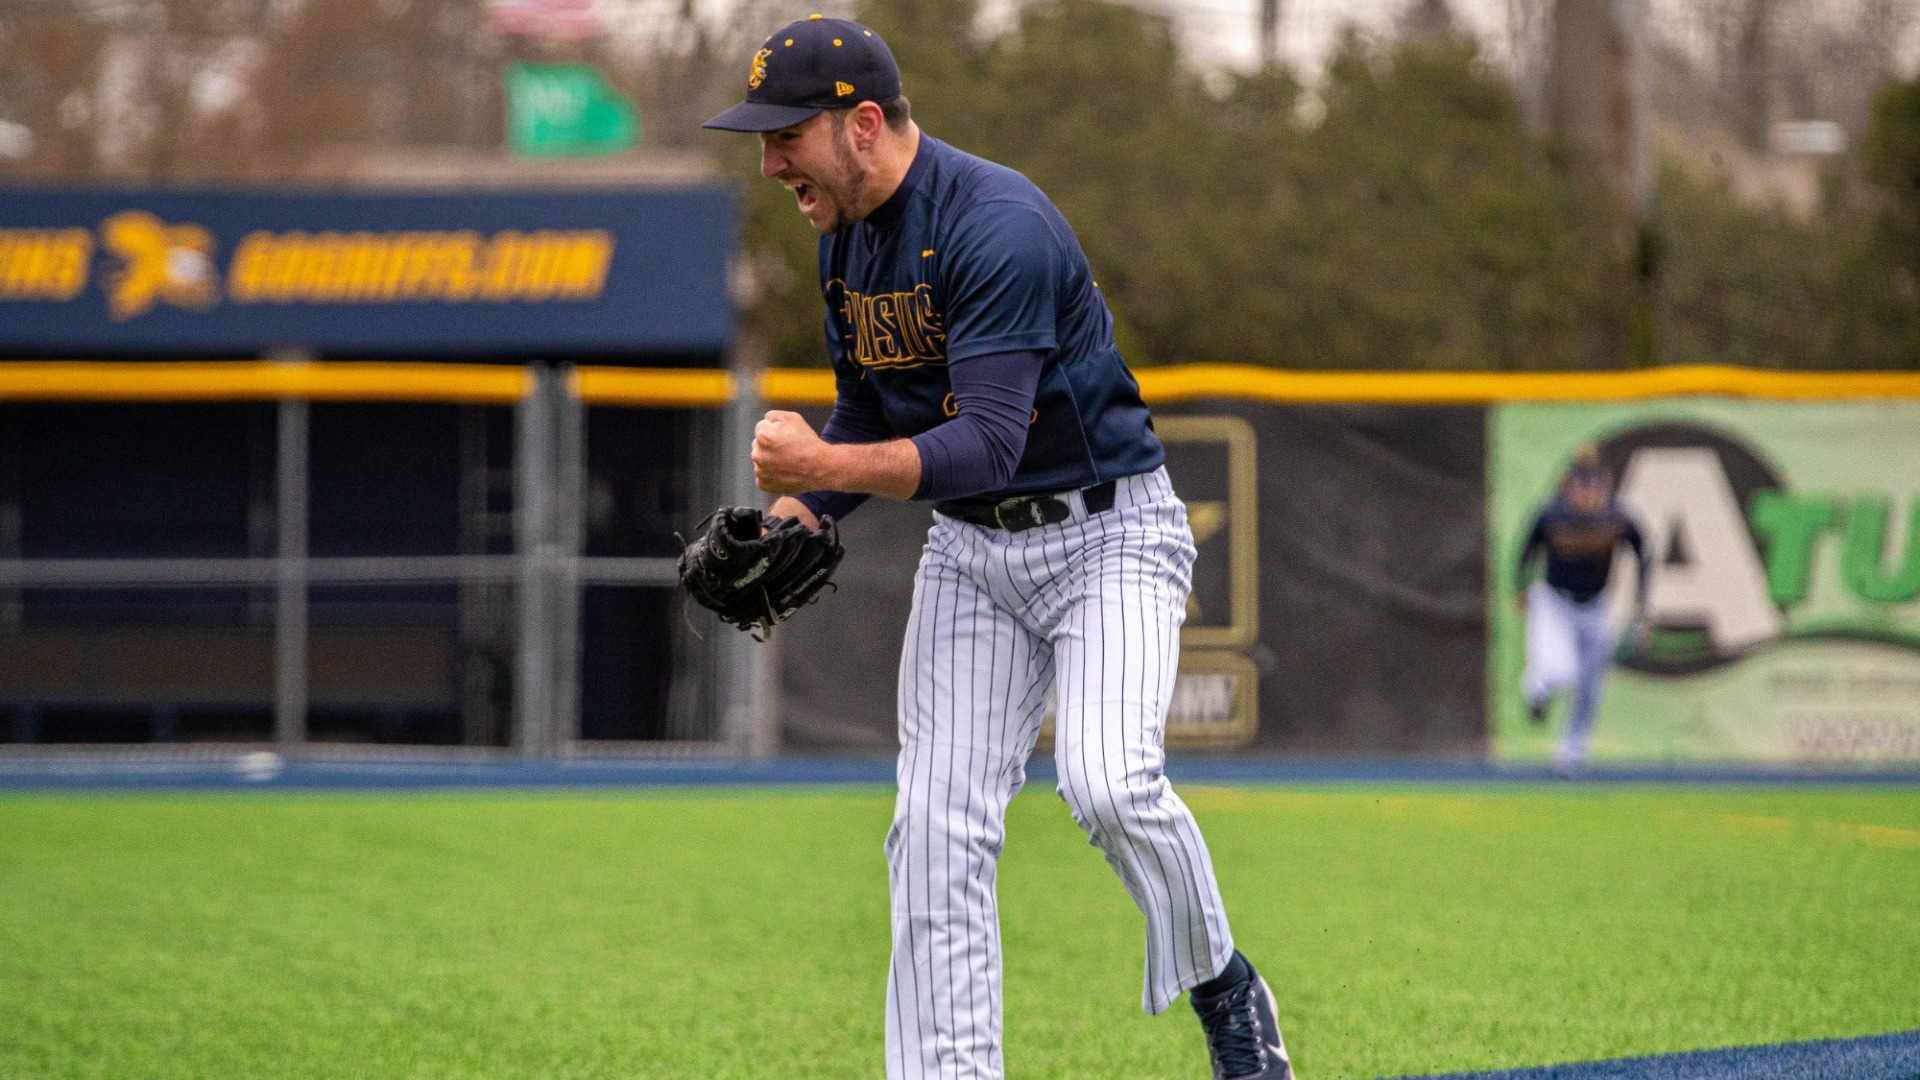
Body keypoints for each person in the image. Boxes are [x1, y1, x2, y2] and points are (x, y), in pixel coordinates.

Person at [704, 15, 1292, 1080]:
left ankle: (1223, 983)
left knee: (1108, 784)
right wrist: (800, 515)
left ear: (865, 125)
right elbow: (862, 414)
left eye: (787, 133)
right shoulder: (843, 237)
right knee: (932, 830)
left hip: (1106, 535)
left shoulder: (997, 226)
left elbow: (982, 444)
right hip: (974, 558)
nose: (769, 159)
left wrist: (821, 475)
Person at [1516, 447, 1649, 772]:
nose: (1588, 494)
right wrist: (1520, 586)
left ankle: (1572, 750)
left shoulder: (1617, 517)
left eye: (1595, 486)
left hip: (1596, 605)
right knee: (1561, 672)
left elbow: (1644, 552)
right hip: (1554, 601)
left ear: (1606, 486)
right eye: (1582, 485)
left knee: (1590, 683)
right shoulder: (1551, 515)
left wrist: (1641, 601)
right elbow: (1526, 550)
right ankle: (1536, 686)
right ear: (1569, 486)